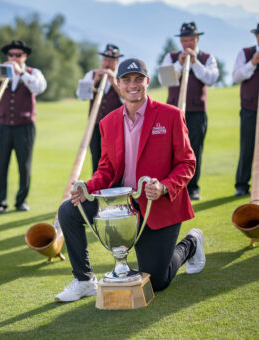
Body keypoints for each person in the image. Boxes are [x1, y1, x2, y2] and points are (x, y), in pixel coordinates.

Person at [55, 58, 206, 302]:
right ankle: (84, 280)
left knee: (158, 281)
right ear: (118, 84)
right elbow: (106, 168)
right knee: (68, 210)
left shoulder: (171, 116)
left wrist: (164, 186)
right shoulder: (108, 122)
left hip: (158, 205)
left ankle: (191, 243)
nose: (132, 85)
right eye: (126, 80)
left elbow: (187, 163)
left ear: (147, 82)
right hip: (121, 205)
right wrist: (88, 188)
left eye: (138, 79)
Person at [0, 40, 47, 214]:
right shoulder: (1, 73)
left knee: (24, 165)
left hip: (25, 127)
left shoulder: (32, 72)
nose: (14, 58)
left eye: (18, 55)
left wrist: (21, 72)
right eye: (11, 55)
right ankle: (0, 202)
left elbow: (39, 87)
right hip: (3, 126)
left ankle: (21, 201)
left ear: (24, 56)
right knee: (2, 165)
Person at [159, 22, 219, 200]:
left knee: (194, 150)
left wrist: (195, 63)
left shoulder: (207, 58)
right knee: (169, 149)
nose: (187, 44)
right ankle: (171, 185)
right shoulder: (171, 57)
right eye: (184, 40)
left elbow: (211, 79)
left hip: (196, 111)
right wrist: (179, 64)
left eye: (191, 40)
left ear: (197, 39)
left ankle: (192, 188)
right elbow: (164, 80)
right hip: (172, 111)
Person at [77, 44, 123, 173]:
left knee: (114, 160)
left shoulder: (121, 76)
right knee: (96, 159)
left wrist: (113, 81)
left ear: (116, 61)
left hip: (116, 127)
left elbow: (126, 99)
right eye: (105, 60)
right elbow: (81, 96)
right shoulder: (91, 74)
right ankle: (96, 190)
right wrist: (95, 80)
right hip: (95, 125)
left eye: (110, 60)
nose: (107, 63)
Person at [233, 23, 259, 197]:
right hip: (249, 108)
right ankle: (242, 185)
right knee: (247, 147)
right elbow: (236, 76)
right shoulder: (245, 53)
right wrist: (253, 63)